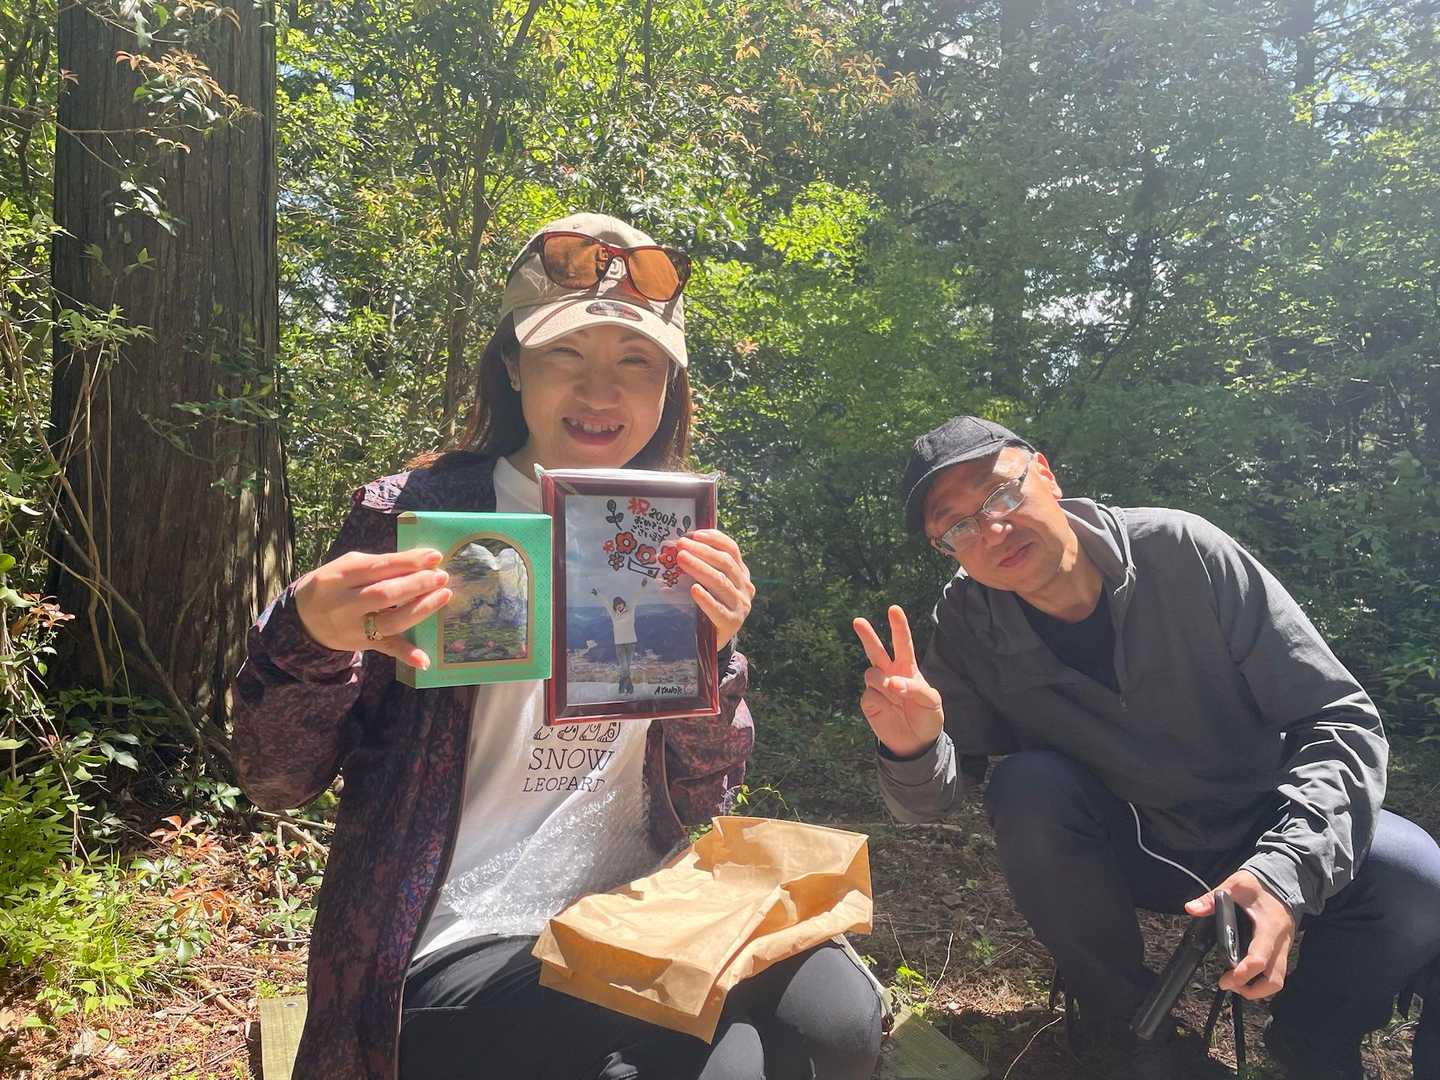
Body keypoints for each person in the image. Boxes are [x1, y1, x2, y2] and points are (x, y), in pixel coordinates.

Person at [232, 214, 883, 1080]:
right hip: (459, 930)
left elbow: (703, 796)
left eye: (636, 362)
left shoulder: (671, 530)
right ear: (513, 365)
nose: (599, 391)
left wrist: (714, 663)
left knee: (841, 1023)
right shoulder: (417, 516)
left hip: (645, 901)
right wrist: (307, 638)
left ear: (671, 383)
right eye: (565, 354)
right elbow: (276, 779)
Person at [852, 415, 1440, 1080]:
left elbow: (1336, 716)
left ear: (1044, 473)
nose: (990, 529)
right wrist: (913, 749)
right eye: (957, 525)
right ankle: (1130, 1031)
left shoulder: (1182, 553)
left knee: (1414, 876)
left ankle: (1312, 1042)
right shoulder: (969, 622)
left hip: (1263, 821)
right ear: (947, 549)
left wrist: (1286, 866)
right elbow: (933, 799)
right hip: (1132, 847)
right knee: (1028, 786)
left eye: (1000, 494)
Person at [591, 583, 644, 694]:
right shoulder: (614, 614)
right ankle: (629, 686)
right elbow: (606, 603)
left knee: (626, 666)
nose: (618, 606)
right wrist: (598, 594)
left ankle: (622, 684)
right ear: (614, 606)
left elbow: (636, 598)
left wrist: (642, 586)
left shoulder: (630, 611)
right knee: (624, 666)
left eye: (620, 603)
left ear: (623, 603)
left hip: (631, 643)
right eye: (616, 605)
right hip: (619, 644)